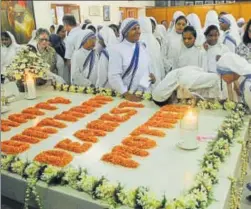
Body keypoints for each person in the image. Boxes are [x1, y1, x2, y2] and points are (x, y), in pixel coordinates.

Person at [108, 18, 156, 102]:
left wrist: (151, 77)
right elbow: (114, 76)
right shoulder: (117, 50)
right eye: (134, 29)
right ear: (125, 32)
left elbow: (145, 68)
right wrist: (126, 94)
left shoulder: (142, 47)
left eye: (138, 28)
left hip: (143, 94)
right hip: (125, 96)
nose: (138, 31)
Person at [138, 17, 164, 84]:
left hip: (141, 78)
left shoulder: (137, 41)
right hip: (156, 77)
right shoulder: (155, 42)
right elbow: (160, 62)